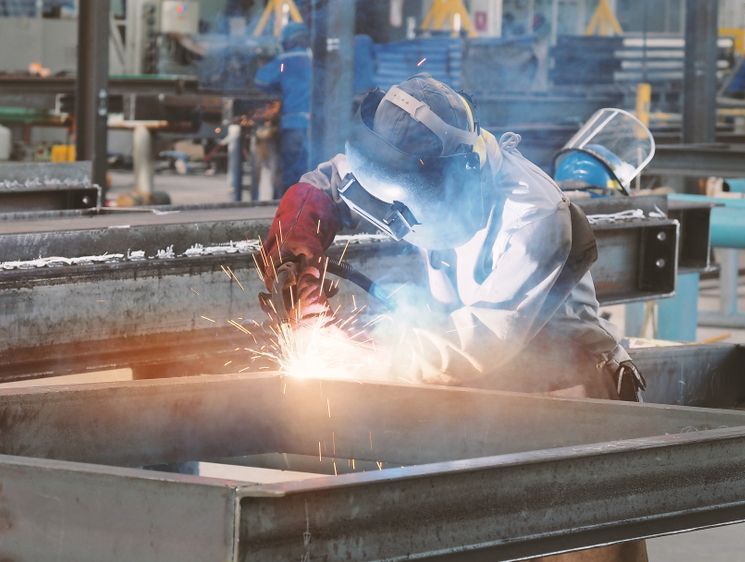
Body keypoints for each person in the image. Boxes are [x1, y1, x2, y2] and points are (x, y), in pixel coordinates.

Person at [258, 73, 647, 562]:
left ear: (450, 178)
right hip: (474, 390)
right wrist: (301, 231)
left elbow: (480, 340)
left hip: (565, 389)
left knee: (577, 546)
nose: (393, 212)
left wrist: (362, 352)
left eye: (406, 203)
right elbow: (328, 182)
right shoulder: (400, 151)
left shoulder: (534, 215)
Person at [254, 22, 311, 198]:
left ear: (287, 41)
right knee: (311, 171)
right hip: (316, 126)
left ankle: (288, 209)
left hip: (293, 125)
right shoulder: (315, 60)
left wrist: (278, 88)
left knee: (291, 173)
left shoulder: (284, 61)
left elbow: (261, 81)